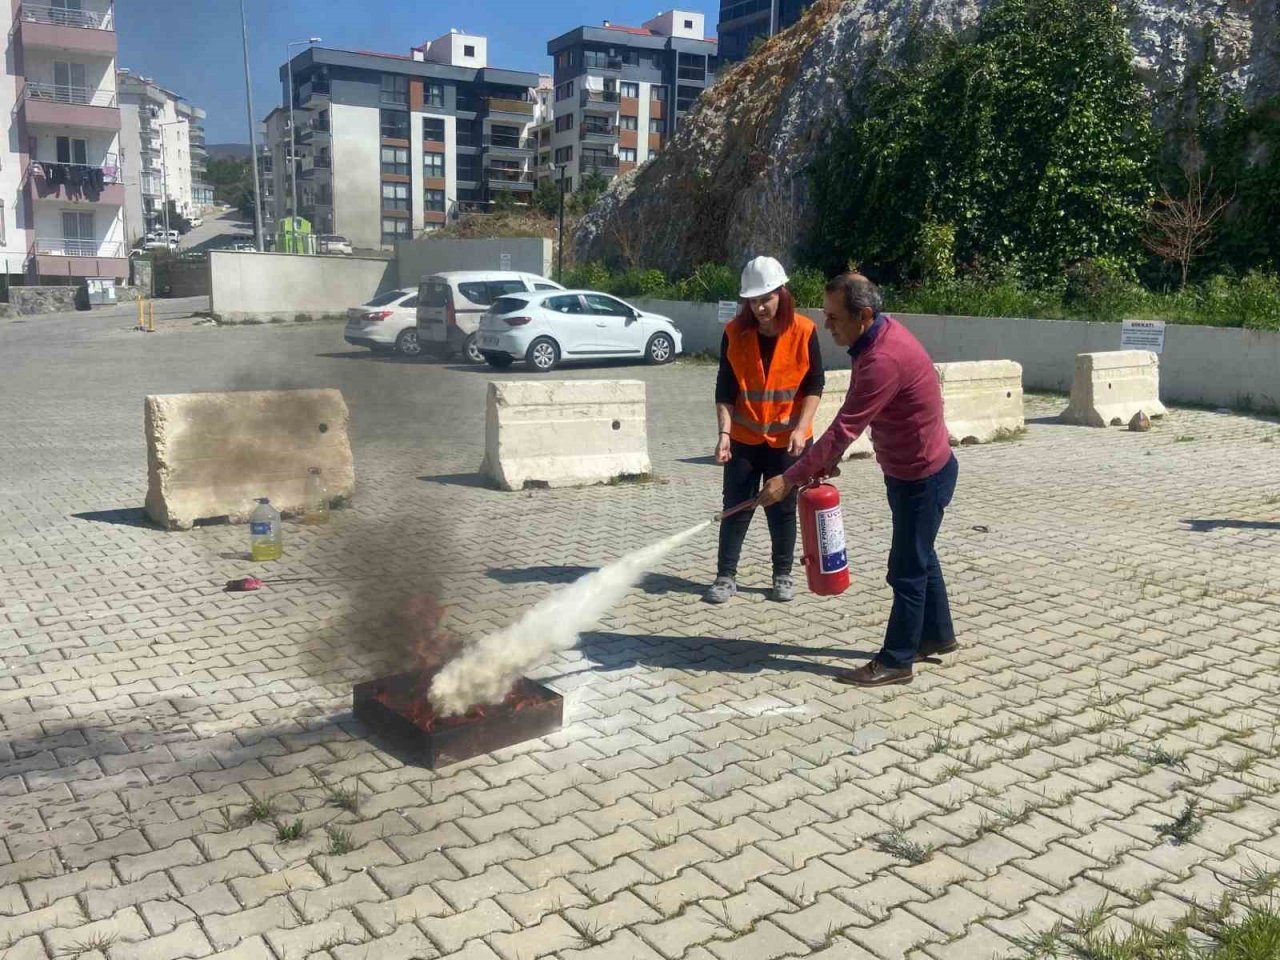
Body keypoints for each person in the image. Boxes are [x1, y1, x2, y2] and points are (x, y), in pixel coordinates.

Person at [757, 273, 958, 686]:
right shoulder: (876, 338)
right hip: (914, 472)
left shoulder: (883, 358)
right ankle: (936, 636)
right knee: (921, 555)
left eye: (834, 317)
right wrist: (820, 463)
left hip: (922, 477)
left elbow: (842, 429)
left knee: (905, 569)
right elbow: (859, 418)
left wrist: (789, 479)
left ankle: (897, 660)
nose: (827, 325)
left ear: (864, 315)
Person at [707, 256, 825, 605]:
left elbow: (815, 384)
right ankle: (726, 576)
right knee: (737, 507)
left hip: (789, 440)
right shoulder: (734, 333)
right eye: (752, 301)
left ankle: (782, 575)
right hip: (744, 439)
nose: (759, 307)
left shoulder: (805, 331)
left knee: (783, 506)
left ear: (781, 293)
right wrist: (724, 434)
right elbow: (725, 389)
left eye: (765, 299)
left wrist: (802, 429)